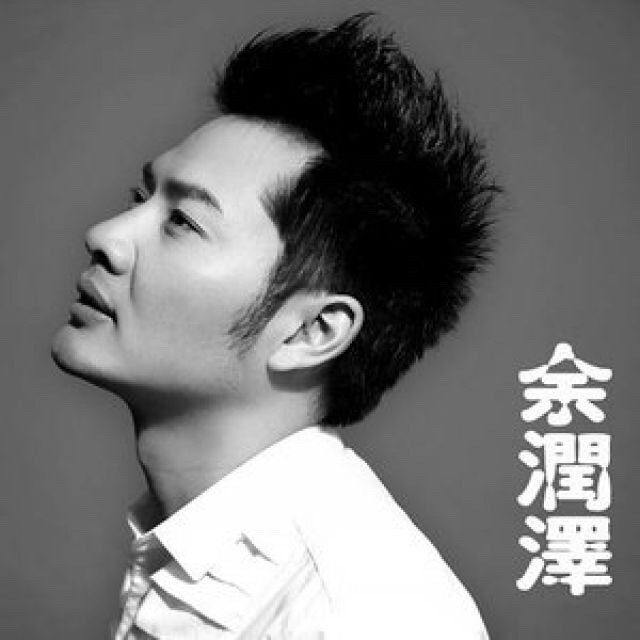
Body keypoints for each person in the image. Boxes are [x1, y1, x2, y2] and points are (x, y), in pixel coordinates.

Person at [51, 13, 498, 639]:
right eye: (140, 198)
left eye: (183, 222)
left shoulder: (368, 618)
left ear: (311, 331)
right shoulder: (190, 548)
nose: (104, 236)